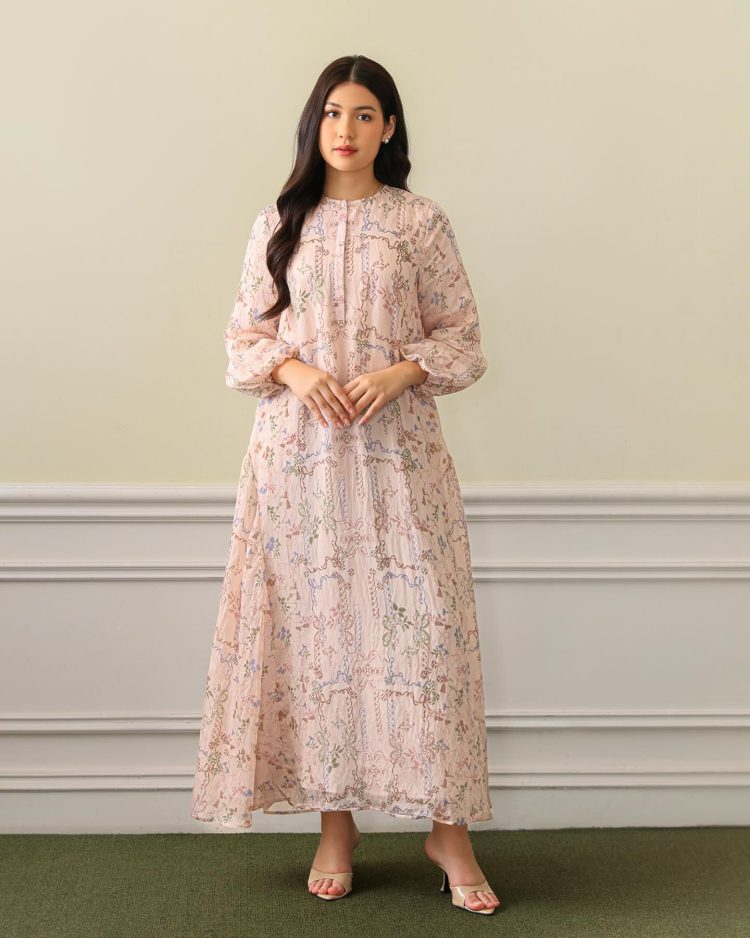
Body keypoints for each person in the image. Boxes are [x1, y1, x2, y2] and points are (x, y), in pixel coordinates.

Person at [191, 53, 500, 916]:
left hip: (400, 459)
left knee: (427, 640)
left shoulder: (419, 222)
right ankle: (337, 826)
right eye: (333, 113)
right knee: (317, 640)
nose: (347, 130)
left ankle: (448, 832)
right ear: (314, 124)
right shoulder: (279, 221)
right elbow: (242, 342)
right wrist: (293, 371)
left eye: (365, 114)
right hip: (298, 464)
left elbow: (464, 339)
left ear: (389, 127)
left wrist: (401, 372)